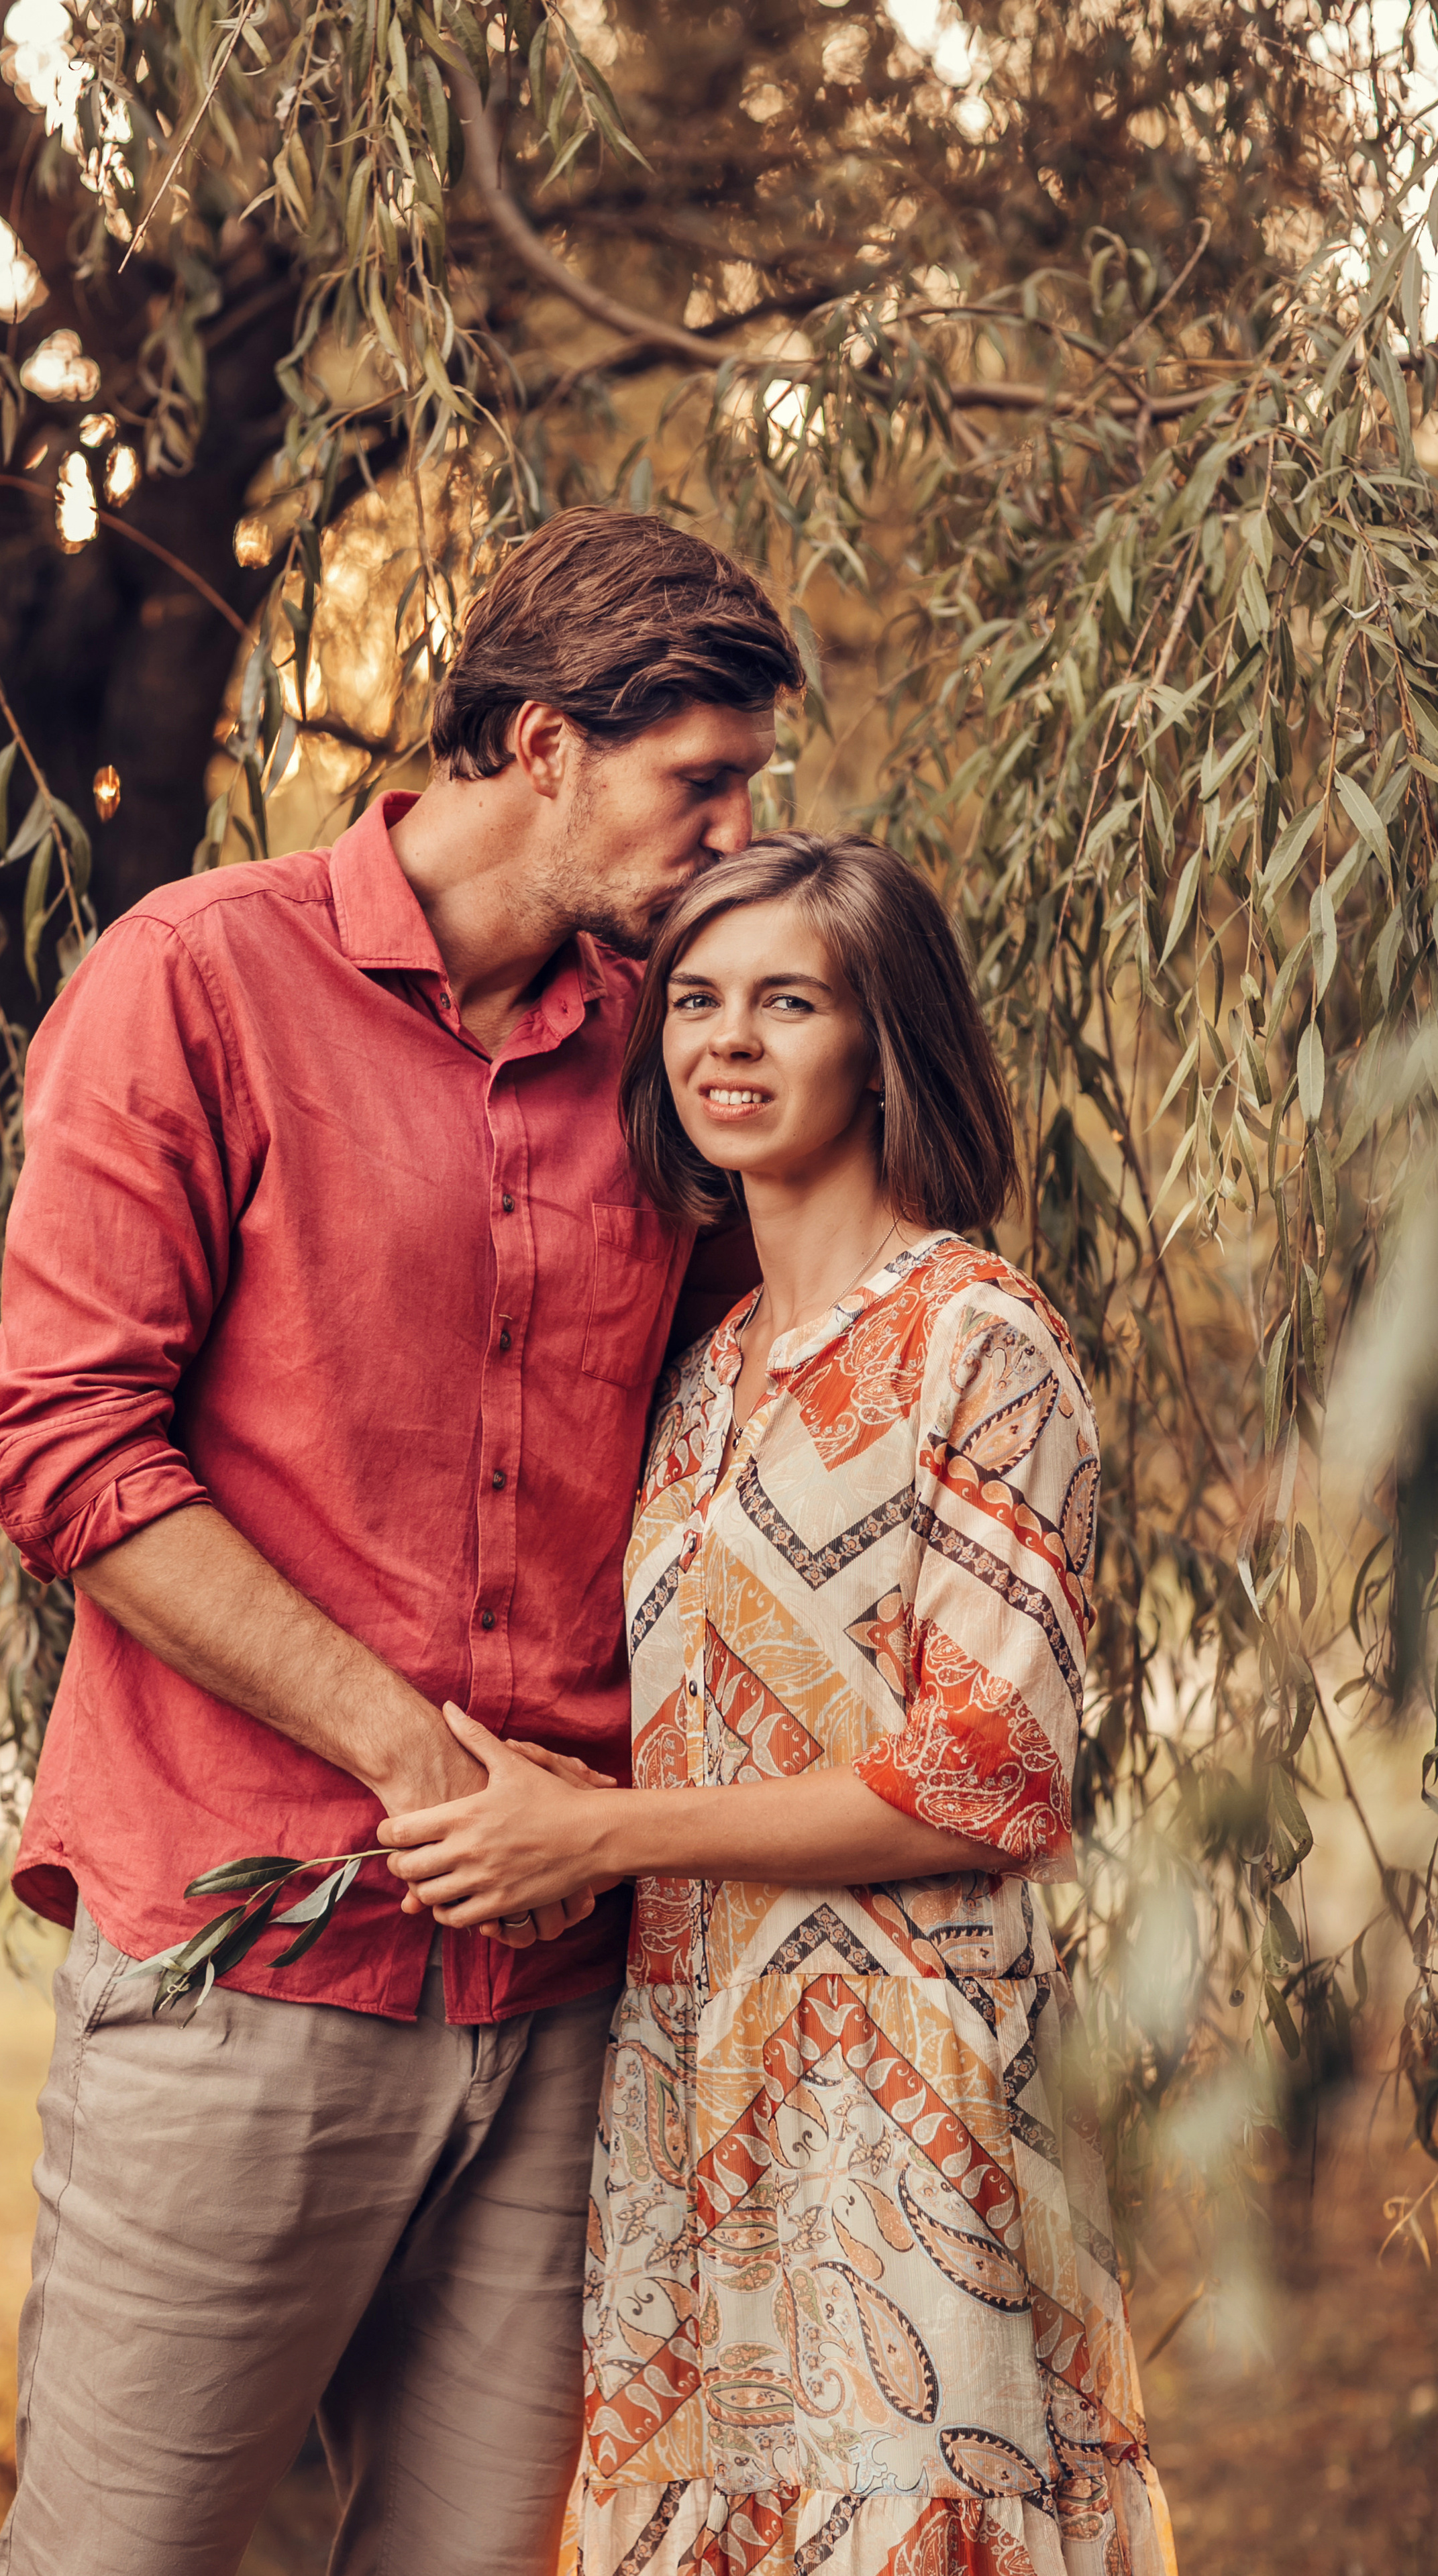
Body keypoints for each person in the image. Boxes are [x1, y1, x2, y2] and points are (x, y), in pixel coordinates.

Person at [0, 508, 804, 2576]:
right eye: (700, 783)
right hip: (252, 1959)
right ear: (540, 747)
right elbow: (65, 1449)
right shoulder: (198, 979)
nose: (733, 835)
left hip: (564, 2000)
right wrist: (416, 1758)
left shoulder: (672, 1053)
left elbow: (728, 1446)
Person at [382, 833, 1179, 2575]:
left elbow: (988, 1779)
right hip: (692, 2083)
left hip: (910, 2101)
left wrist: (595, 1833)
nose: (727, 1042)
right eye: (697, 1001)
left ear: (878, 1039)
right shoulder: (702, 1376)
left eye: (788, 1001)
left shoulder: (982, 1339)